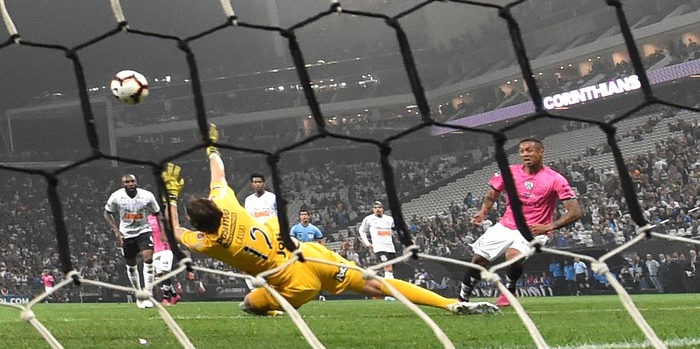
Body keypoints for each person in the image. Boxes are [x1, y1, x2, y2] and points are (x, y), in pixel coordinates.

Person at [161, 124, 499, 316]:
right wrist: (211, 147)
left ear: (201, 227)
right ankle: (450, 303)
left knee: (249, 305)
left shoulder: (210, 242)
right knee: (377, 283)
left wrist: (171, 197)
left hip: (294, 283)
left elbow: (176, 233)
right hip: (310, 256)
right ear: (216, 209)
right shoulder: (229, 205)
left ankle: (277, 309)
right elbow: (218, 174)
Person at [458, 138, 582, 307]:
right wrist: (483, 212)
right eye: (522, 151)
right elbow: (491, 194)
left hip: (533, 230)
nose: (525, 154)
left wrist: (548, 227)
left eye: (529, 150)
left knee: (513, 256)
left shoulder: (555, 179)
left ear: (541, 152)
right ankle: (462, 298)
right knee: (478, 259)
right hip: (506, 225)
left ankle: (509, 290)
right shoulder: (509, 172)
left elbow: (575, 212)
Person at [104, 173, 160, 309]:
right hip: (126, 234)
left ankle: (148, 294)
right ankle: (138, 294)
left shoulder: (147, 195)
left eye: (132, 181)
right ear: (123, 184)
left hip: (144, 231)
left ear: (136, 182)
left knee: (148, 259)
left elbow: (157, 212)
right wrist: (116, 231)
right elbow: (107, 212)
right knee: (131, 264)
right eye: (127, 182)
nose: (130, 184)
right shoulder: (116, 196)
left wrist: (161, 232)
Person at [359, 201, 397, 281]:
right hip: (379, 247)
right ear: (373, 209)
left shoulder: (389, 219)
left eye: (379, 207)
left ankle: (387, 282)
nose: (377, 209)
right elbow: (361, 230)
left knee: (391, 268)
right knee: (388, 266)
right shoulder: (369, 219)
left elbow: (394, 228)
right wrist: (367, 242)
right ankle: (390, 285)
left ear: (383, 209)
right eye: (375, 208)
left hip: (390, 247)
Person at [148, 213, 181, 306]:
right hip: (155, 249)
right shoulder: (148, 218)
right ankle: (175, 295)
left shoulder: (162, 216)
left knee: (165, 271)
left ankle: (165, 298)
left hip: (165, 247)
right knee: (160, 276)